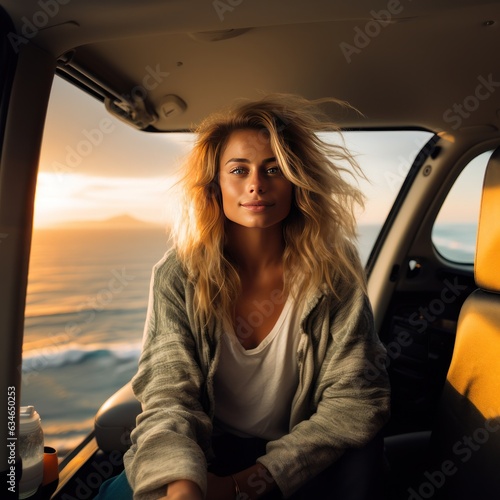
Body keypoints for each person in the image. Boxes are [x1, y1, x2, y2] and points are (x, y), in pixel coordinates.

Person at [95, 94, 390, 500]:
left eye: (274, 169)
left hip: (297, 461)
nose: (256, 183)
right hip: (201, 453)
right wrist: (185, 486)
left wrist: (243, 486)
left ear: (297, 181)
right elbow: (168, 391)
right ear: (215, 183)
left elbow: (356, 400)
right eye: (239, 169)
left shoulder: (333, 271)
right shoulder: (178, 273)